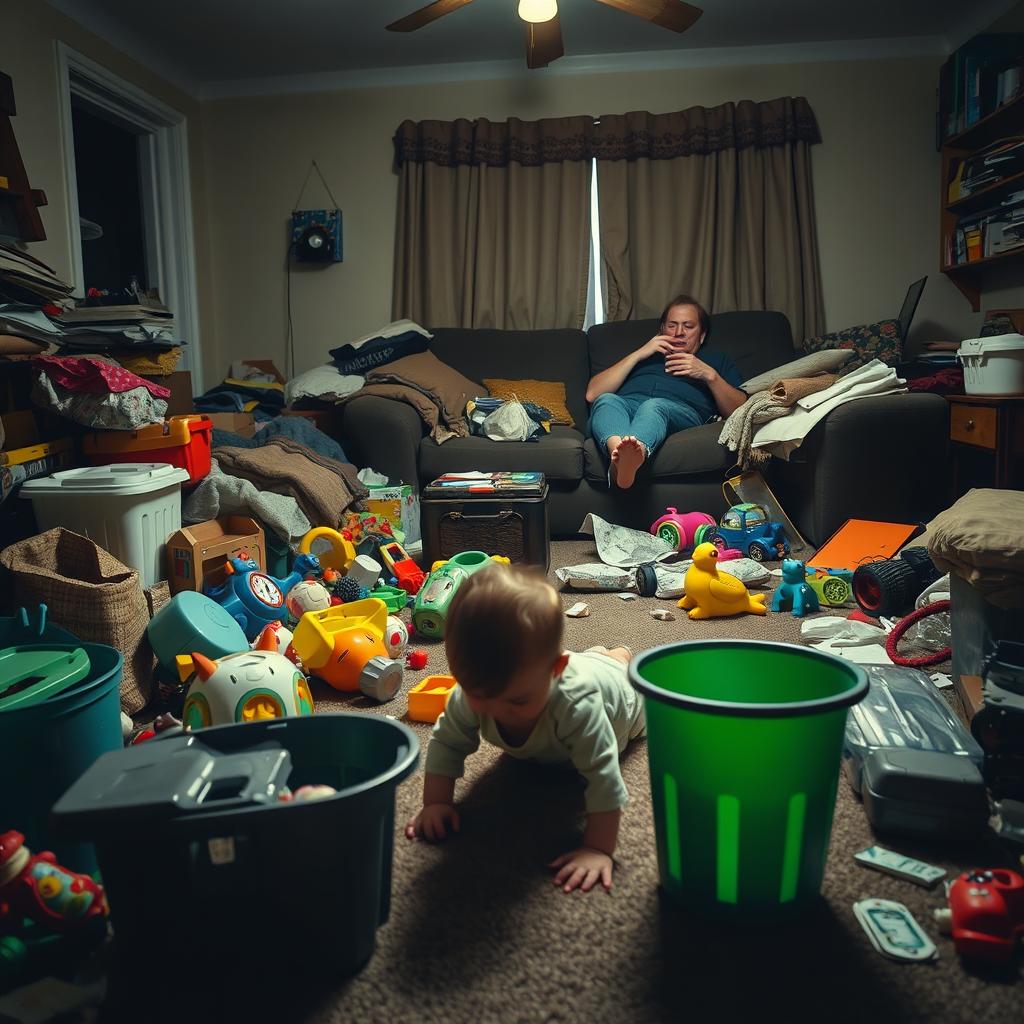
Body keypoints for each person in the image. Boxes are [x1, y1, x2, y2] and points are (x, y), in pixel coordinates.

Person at [405, 565, 646, 895]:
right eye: (480, 697)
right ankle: (604, 654)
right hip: (565, 667)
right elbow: (446, 742)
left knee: (622, 673)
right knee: (590, 660)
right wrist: (435, 803)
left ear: (554, 671)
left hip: (622, 700)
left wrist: (598, 849)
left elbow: (604, 778)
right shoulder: (478, 689)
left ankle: (620, 656)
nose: (497, 711)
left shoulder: (579, 706)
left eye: (516, 701)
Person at [586, 294, 748, 489]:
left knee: (653, 406)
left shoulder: (716, 361)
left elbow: (741, 410)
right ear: (662, 329)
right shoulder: (644, 356)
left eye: (688, 326)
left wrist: (709, 375)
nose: (679, 332)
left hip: (678, 412)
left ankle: (635, 454)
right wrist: (640, 353)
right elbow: (593, 394)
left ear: (702, 335)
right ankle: (619, 459)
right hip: (628, 405)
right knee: (606, 400)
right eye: (672, 325)